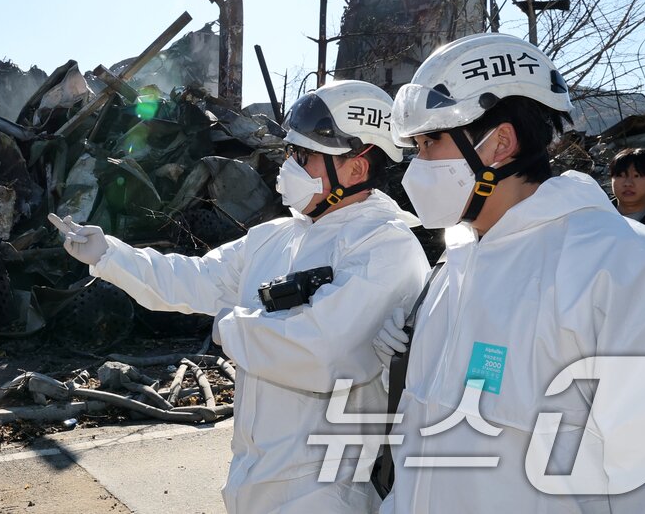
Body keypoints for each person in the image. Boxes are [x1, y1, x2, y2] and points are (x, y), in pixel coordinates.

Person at [52, 80, 429, 513]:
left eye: (303, 157)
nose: (288, 166)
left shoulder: (385, 247)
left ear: (356, 169)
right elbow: (193, 278)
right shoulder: (275, 237)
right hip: (253, 478)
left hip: (328, 488)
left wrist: (230, 326)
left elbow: (322, 351)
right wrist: (110, 255)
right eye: (290, 153)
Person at [374, 33, 645, 512]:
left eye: (430, 142)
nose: (415, 164)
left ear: (499, 144)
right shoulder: (457, 265)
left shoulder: (621, 271)